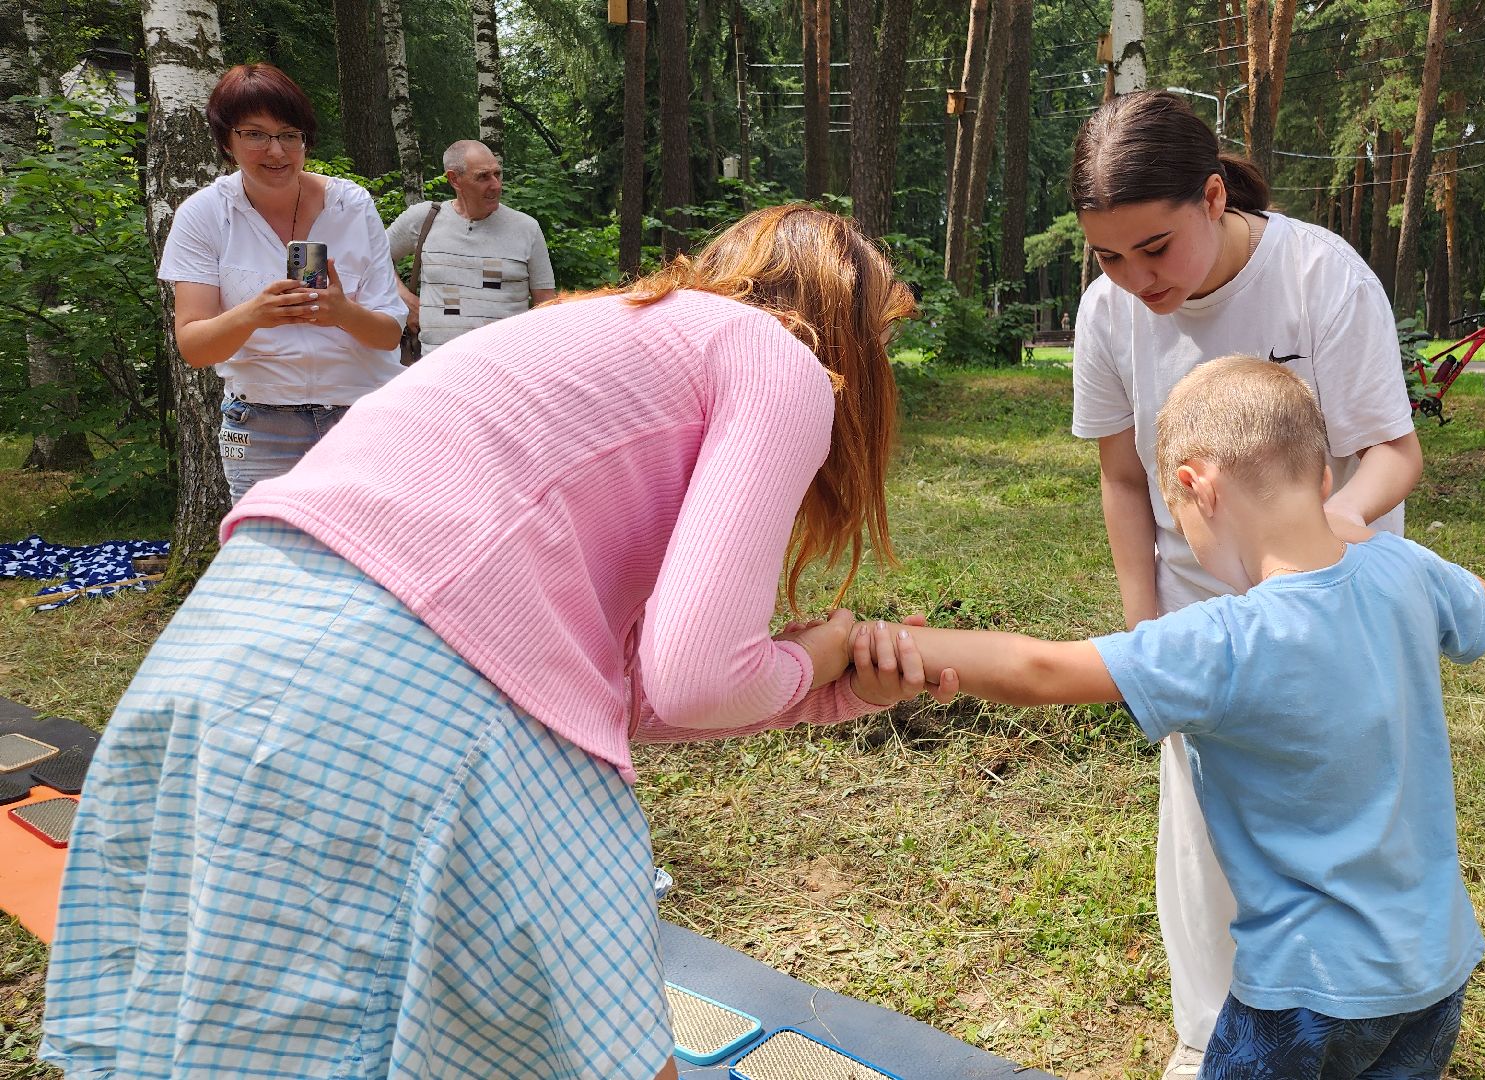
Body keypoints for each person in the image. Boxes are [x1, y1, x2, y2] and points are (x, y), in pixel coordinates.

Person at [38, 205, 956, 1079]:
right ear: (840, 324)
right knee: (600, 1037)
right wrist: (821, 651)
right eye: (880, 339)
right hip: (410, 693)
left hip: (224, 652)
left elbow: (604, 689)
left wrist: (823, 689)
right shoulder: (778, 357)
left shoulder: (602, 331)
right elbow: (696, 679)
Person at [854, 358, 1485, 1080]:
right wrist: (1375, 541)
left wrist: (881, 643)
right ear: (1324, 480)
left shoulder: (1226, 640)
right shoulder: (1403, 569)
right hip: (1434, 972)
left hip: (1305, 991)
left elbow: (1039, 669)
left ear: (1198, 487)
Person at [1066, 90, 1424, 1076]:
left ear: (1214, 197)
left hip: (1332, 607)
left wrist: (1315, 548)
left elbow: (1392, 454)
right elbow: (1123, 479)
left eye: (1154, 248)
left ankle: (1359, 1025)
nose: (1135, 279)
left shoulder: (1318, 275)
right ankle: (1207, 1037)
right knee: (1206, 831)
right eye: (1108, 256)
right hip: (1200, 609)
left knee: (1338, 831)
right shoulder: (1108, 312)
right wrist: (1145, 629)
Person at [158, 63, 406, 503]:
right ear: (227, 141)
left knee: (369, 544)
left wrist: (343, 313)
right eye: (255, 134)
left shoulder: (351, 205)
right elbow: (194, 347)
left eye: (289, 135)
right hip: (259, 427)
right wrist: (253, 315)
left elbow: (389, 334)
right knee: (267, 545)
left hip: (364, 416)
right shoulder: (204, 215)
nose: (276, 151)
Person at [386, 140, 558, 357]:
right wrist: (405, 299)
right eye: (483, 177)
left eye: (497, 174)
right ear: (454, 179)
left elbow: (546, 305)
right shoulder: (425, 218)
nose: (496, 185)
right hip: (438, 364)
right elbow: (373, 257)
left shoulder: (526, 228)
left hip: (505, 365)